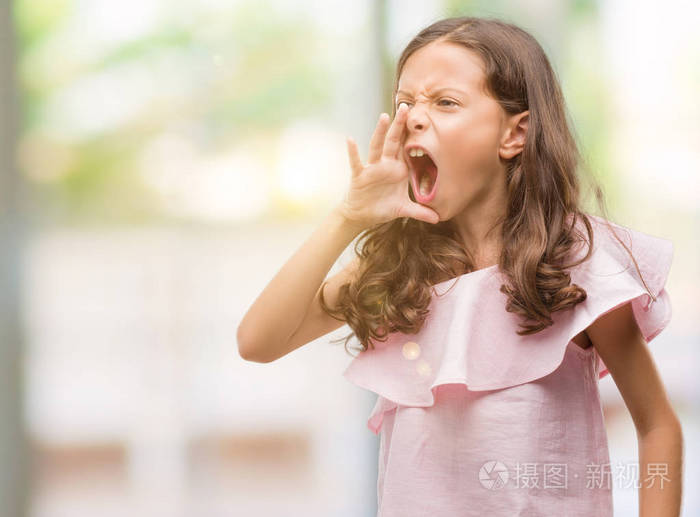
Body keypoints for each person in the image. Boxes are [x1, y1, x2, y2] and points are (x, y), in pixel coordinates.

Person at [236, 16, 683, 517]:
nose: (414, 118)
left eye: (445, 102)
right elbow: (258, 341)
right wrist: (348, 217)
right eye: (405, 102)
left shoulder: (574, 261)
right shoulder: (396, 270)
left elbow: (657, 425)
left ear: (515, 133)